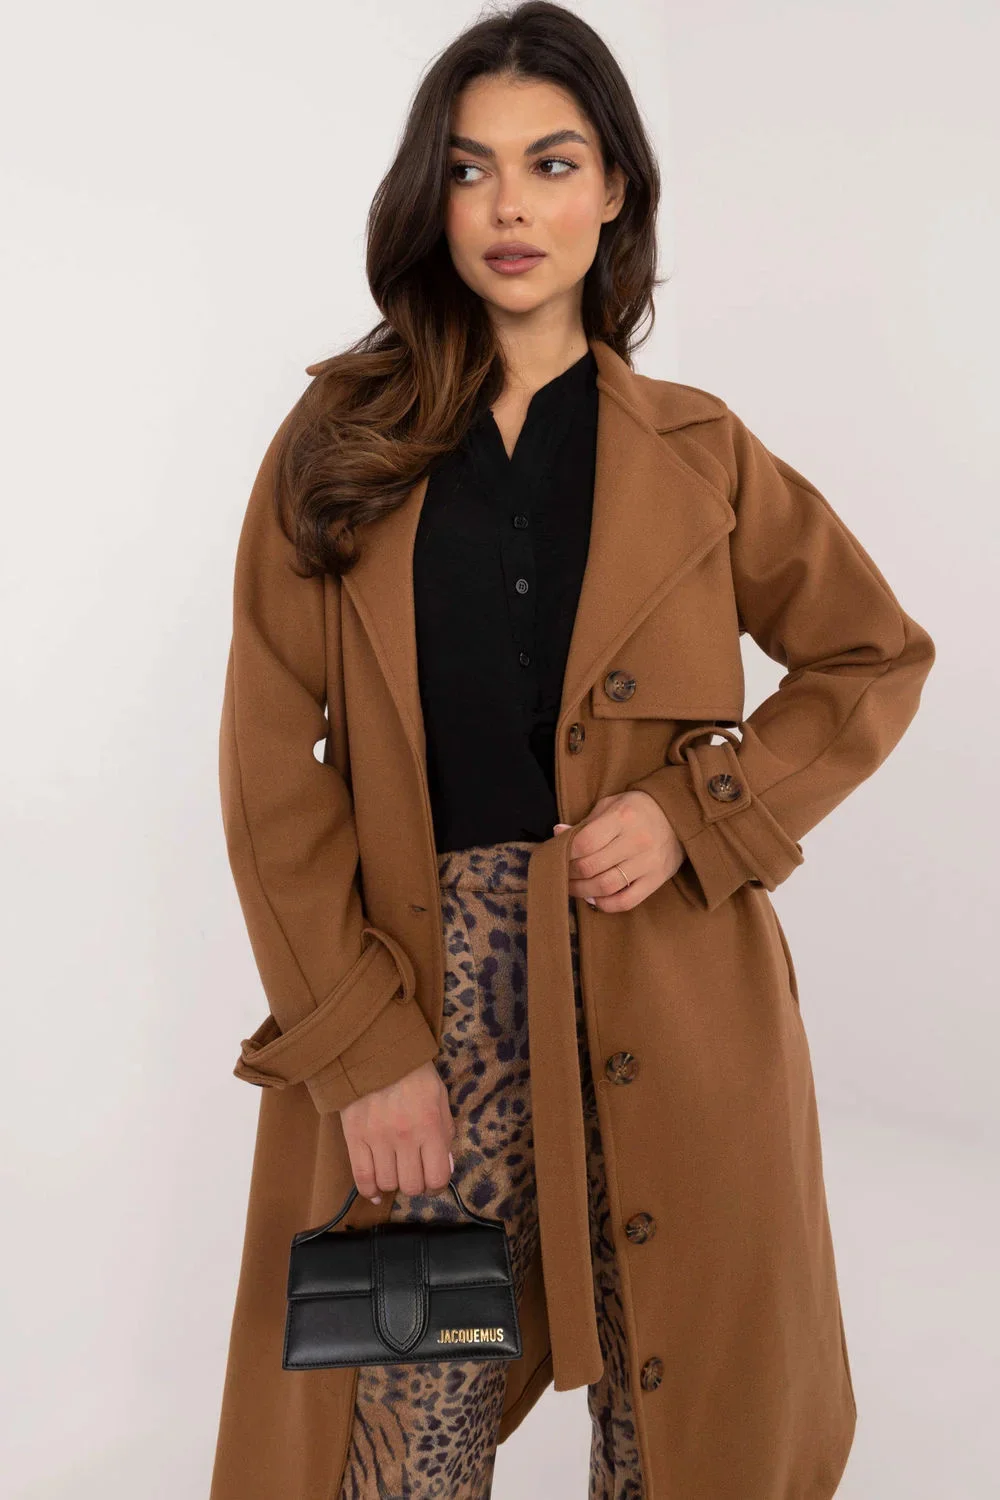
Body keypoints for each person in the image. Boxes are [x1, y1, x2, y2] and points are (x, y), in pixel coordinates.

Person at [209, 6, 935, 1499]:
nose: (510, 205)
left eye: (551, 163)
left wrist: (697, 813)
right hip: (420, 1002)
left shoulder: (700, 452)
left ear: (613, 191)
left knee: (685, 1440)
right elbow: (270, 769)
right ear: (433, 198)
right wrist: (364, 1052)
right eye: (470, 169)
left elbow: (872, 656)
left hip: (669, 984)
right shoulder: (337, 445)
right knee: (389, 1447)